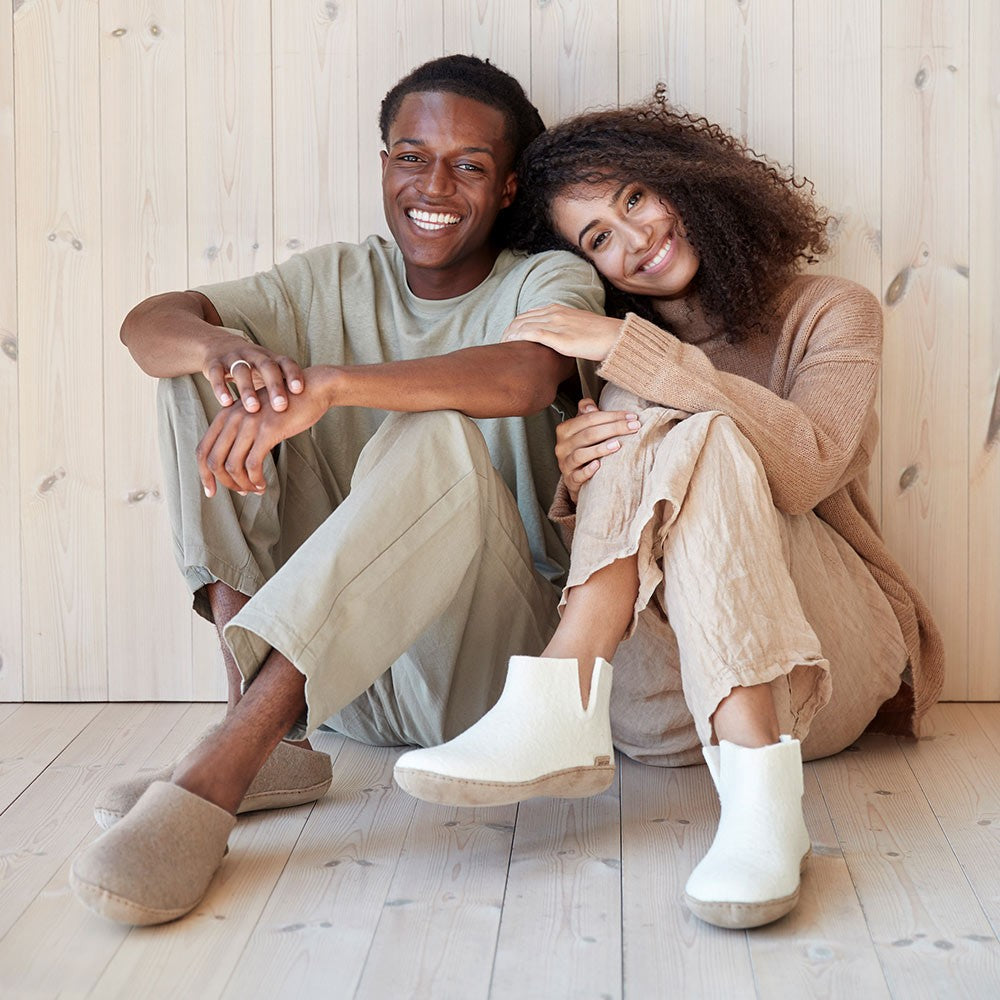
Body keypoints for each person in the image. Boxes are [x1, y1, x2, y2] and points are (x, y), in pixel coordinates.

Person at [69, 54, 604, 926]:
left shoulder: (545, 278)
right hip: (346, 681)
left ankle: (218, 771)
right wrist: (220, 354)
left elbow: (527, 378)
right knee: (207, 366)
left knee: (435, 431)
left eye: (469, 165)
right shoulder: (332, 278)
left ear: (507, 189)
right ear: (384, 163)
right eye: (409, 155)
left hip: (483, 674)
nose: (433, 184)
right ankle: (269, 732)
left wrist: (331, 384)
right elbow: (148, 326)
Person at [392, 97, 944, 929]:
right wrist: (572, 489)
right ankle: (595, 719)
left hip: (824, 670)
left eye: (635, 199)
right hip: (663, 709)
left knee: (704, 430)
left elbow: (805, 469)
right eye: (598, 241)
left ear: (689, 180)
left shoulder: (831, 309)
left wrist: (634, 356)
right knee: (652, 425)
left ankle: (583, 707)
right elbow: (627, 557)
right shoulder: (606, 357)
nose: (634, 240)